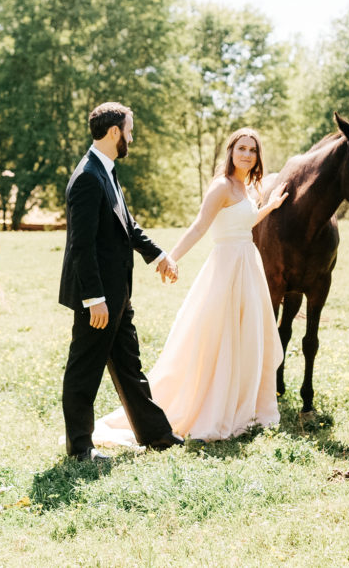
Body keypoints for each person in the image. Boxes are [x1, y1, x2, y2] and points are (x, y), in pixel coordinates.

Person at [92, 128, 287, 446]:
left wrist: (270, 207)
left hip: (248, 266)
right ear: (230, 151)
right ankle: (208, 405)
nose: (247, 155)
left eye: (253, 150)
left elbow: (243, 222)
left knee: (247, 335)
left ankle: (242, 404)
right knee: (218, 337)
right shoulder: (221, 186)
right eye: (242, 148)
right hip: (225, 268)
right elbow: (200, 226)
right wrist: (170, 258)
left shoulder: (247, 186)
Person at [58, 102, 185, 462]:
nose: (131, 137)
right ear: (115, 132)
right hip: (97, 298)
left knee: (129, 366)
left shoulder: (106, 170)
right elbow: (80, 246)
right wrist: (94, 298)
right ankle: (80, 449)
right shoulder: (87, 176)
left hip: (118, 295)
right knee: (84, 372)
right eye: (129, 130)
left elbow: (126, 225)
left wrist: (159, 256)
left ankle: (157, 436)